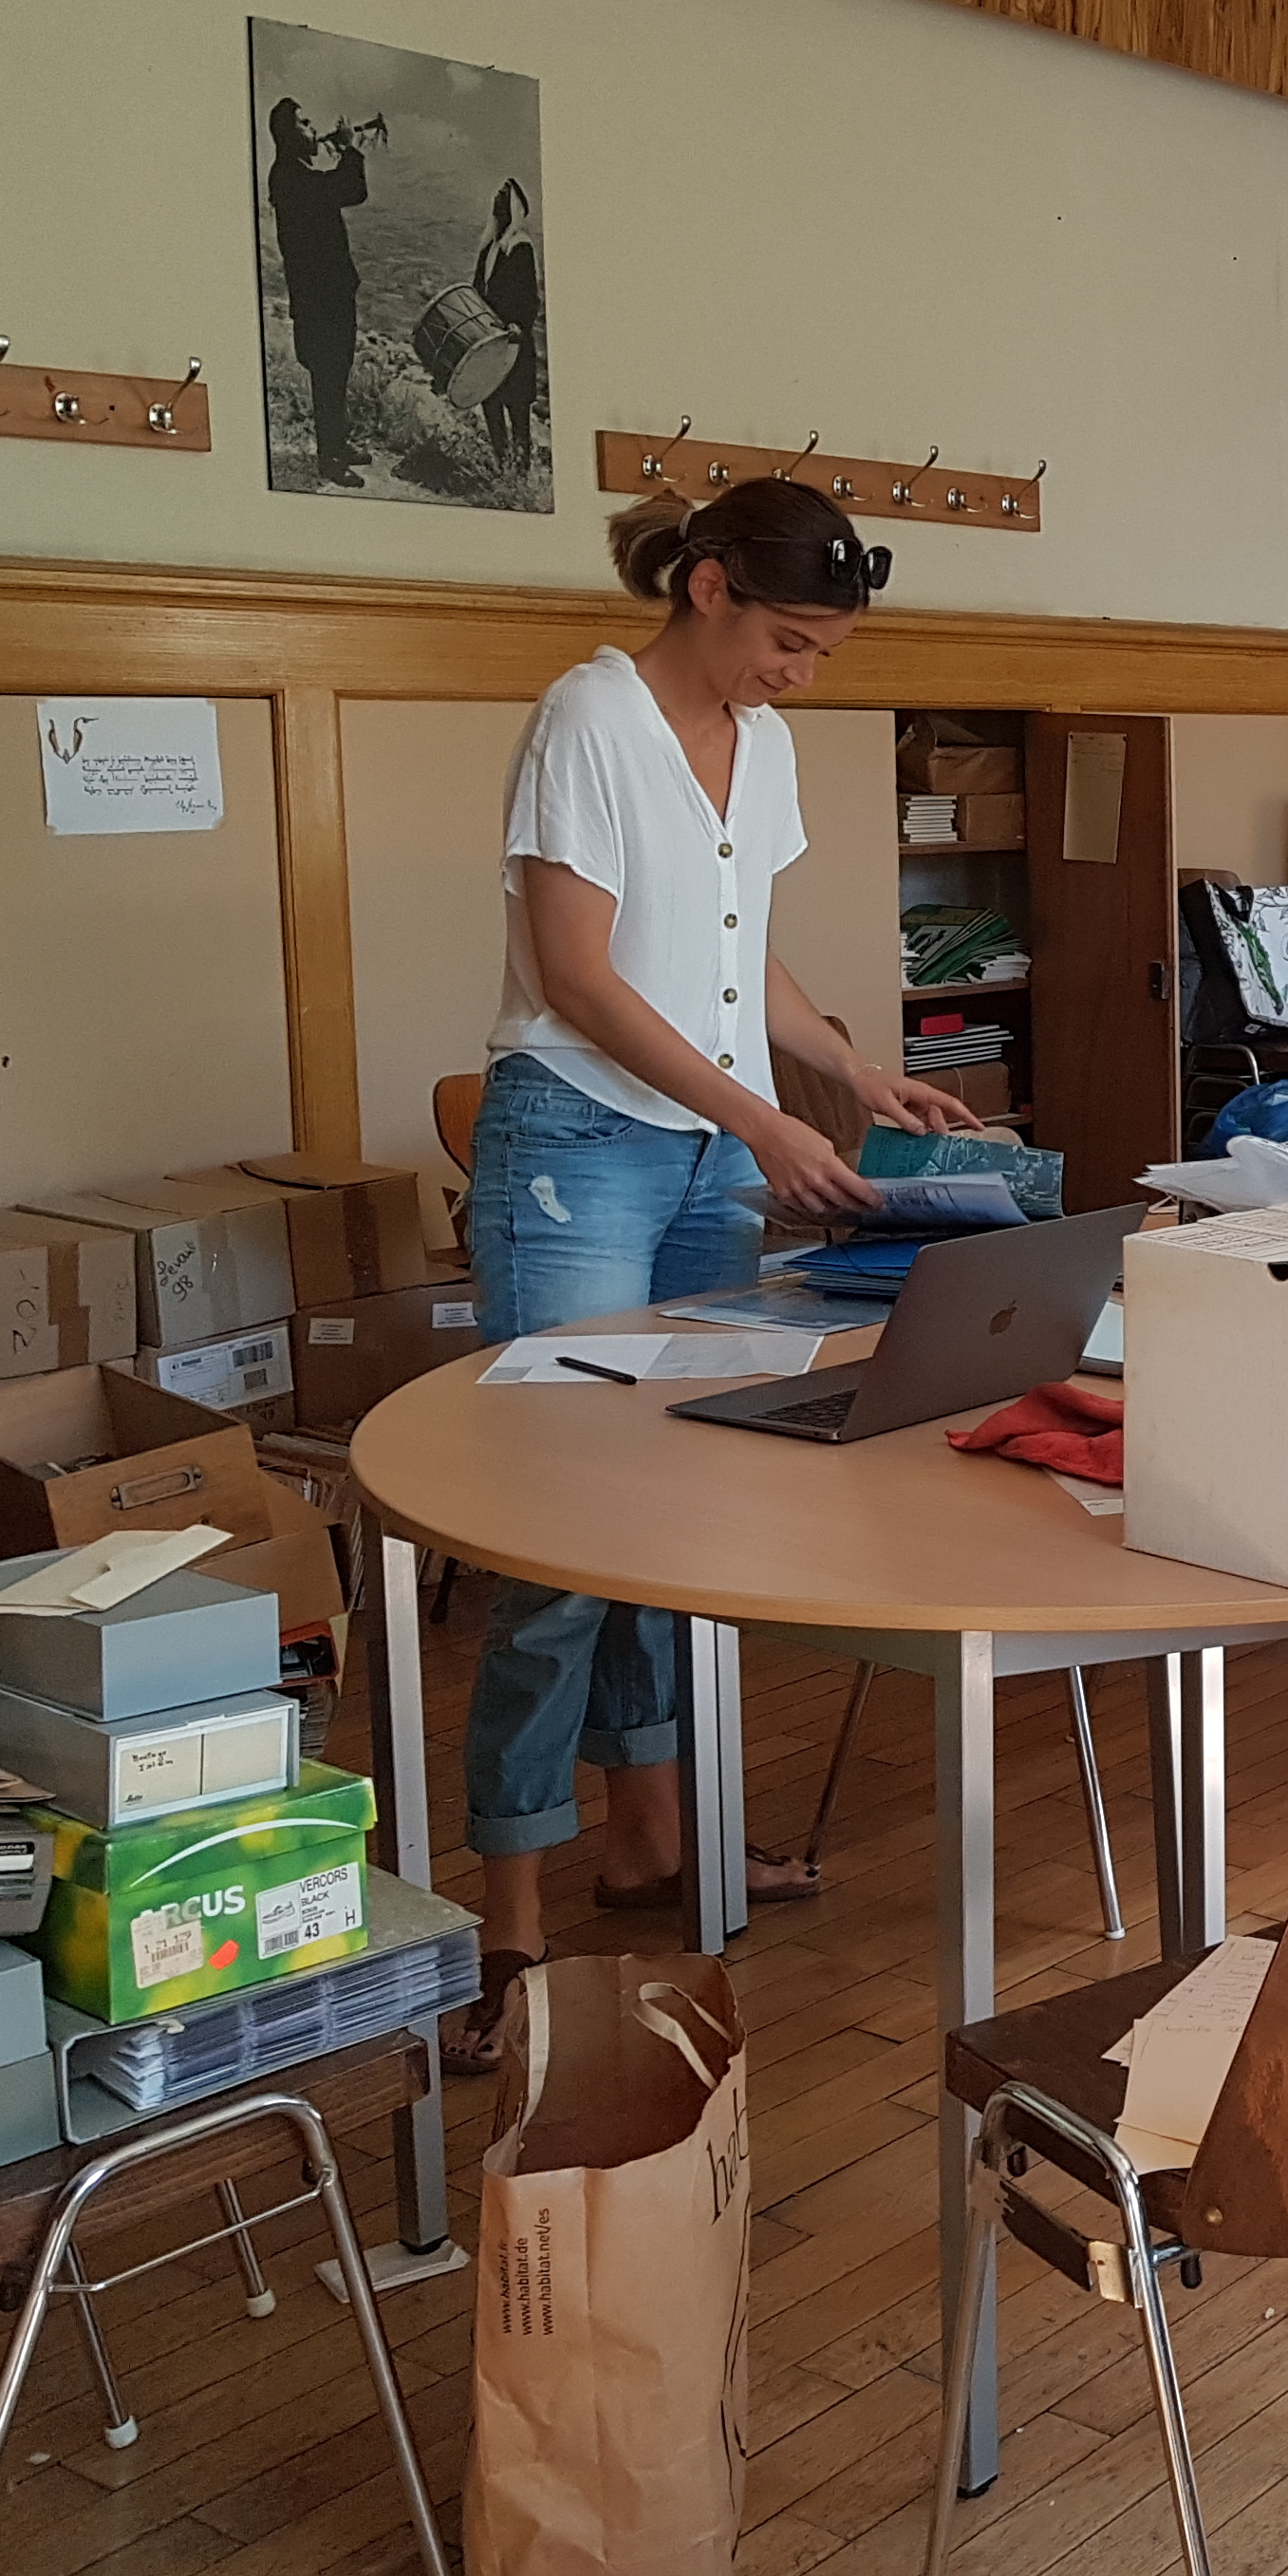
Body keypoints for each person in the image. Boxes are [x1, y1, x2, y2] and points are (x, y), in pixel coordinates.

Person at [447, 476, 976, 2071]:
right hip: (583, 1141)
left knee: (685, 1512)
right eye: (786, 640)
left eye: (819, 650)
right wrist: (759, 1112)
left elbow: (744, 954)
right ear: (703, 588)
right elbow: (579, 972)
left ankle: (658, 1840)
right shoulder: (587, 719)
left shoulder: (773, 740)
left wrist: (850, 1067)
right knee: (552, 1535)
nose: (800, 673)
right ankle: (512, 1915)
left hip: (696, 1155)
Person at [264, 98, 368, 488]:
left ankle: (339, 443)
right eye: (304, 124)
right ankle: (331, 461)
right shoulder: (291, 176)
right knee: (327, 376)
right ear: (289, 135)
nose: (313, 129)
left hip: (328, 295)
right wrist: (349, 148)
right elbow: (350, 189)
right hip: (319, 300)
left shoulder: (295, 173)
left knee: (336, 372)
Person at [474, 177, 542, 479]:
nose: (498, 203)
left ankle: (521, 474)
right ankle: (502, 464)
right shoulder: (488, 249)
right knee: (491, 403)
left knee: (518, 411)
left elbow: (529, 298)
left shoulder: (521, 247)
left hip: (514, 344)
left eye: (504, 198)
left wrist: (518, 325)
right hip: (491, 342)